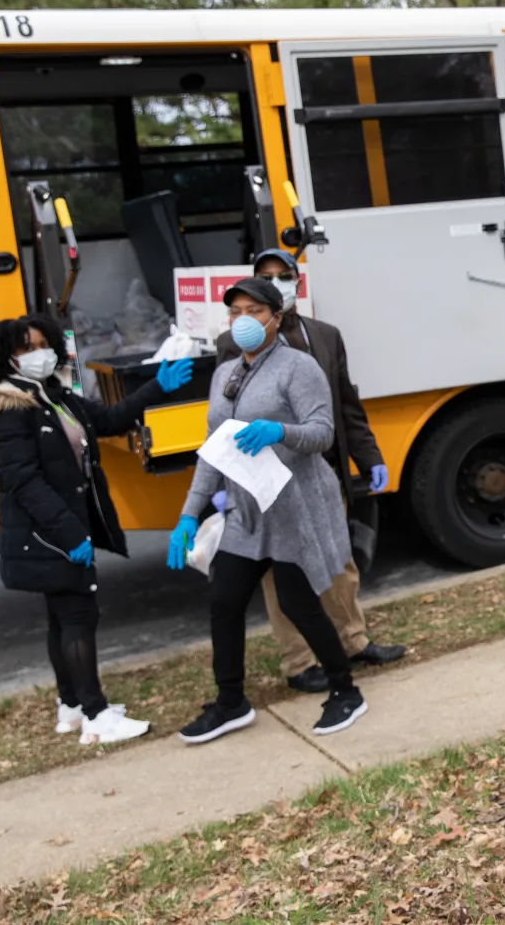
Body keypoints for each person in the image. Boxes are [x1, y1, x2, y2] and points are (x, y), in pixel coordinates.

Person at [0, 313, 194, 745]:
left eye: (42, 344)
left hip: (58, 528)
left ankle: (70, 707)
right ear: (5, 357)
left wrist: (158, 384)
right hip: (48, 532)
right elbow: (21, 481)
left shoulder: (51, 395)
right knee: (78, 616)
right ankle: (96, 714)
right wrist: (70, 535)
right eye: (25, 348)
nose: (38, 353)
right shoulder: (8, 410)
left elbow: (108, 420)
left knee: (61, 618)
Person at [165, 277, 367, 743]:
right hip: (247, 512)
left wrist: (279, 431)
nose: (244, 320)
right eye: (235, 310)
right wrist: (188, 516)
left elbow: (322, 432)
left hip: (294, 506)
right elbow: (214, 451)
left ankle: (345, 690)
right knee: (224, 601)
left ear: (277, 316)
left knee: (299, 603)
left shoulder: (299, 368)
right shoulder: (225, 373)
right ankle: (231, 702)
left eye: (254, 310)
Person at [213, 248, 405, 692]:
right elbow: (221, 422)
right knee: (279, 578)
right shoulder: (231, 346)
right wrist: (223, 484)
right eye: (266, 276)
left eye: (283, 275)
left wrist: (369, 457)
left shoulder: (325, 335)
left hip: (320, 475)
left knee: (338, 561)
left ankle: (353, 641)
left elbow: (346, 403)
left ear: (296, 285)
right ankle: (298, 663)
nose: (276, 281)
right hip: (266, 483)